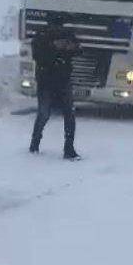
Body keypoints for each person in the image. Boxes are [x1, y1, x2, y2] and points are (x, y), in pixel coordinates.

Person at [30, 14, 82, 160]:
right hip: (48, 80)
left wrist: (71, 47)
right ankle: (36, 143)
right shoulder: (42, 37)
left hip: (61, 79)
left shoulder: (66, 35)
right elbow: (39, 57)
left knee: (65, 115)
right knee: (45, 114)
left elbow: (79, 50)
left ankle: (68, 148)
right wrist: (54, 48)